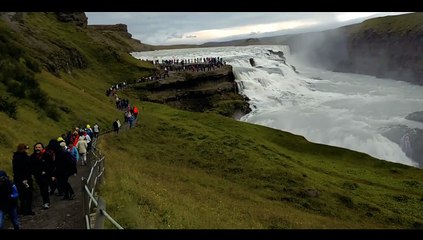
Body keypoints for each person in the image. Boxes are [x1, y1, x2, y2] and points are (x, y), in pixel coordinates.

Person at [12, 144, 34, 215]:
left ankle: (22, 209)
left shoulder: (15, 157)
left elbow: (16, 170)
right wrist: (25, 179)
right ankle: (28, 210)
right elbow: (28, 169)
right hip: (26, 178)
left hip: (18, 179)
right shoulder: (25, 157)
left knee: (22, 195)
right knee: (28, 195)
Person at [29, 142, 53, 210]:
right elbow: (31, 167)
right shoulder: (32, 157)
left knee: (44, 189)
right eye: (36, 147)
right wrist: (37, 172)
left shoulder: (47, 155)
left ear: (42, 148)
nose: (37, 149)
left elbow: (51, 165)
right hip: (38, 176)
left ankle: (46, 202)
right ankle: (45, 200)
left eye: (39, 147)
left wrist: (46, 171)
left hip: (46, 176)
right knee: (42, 189)